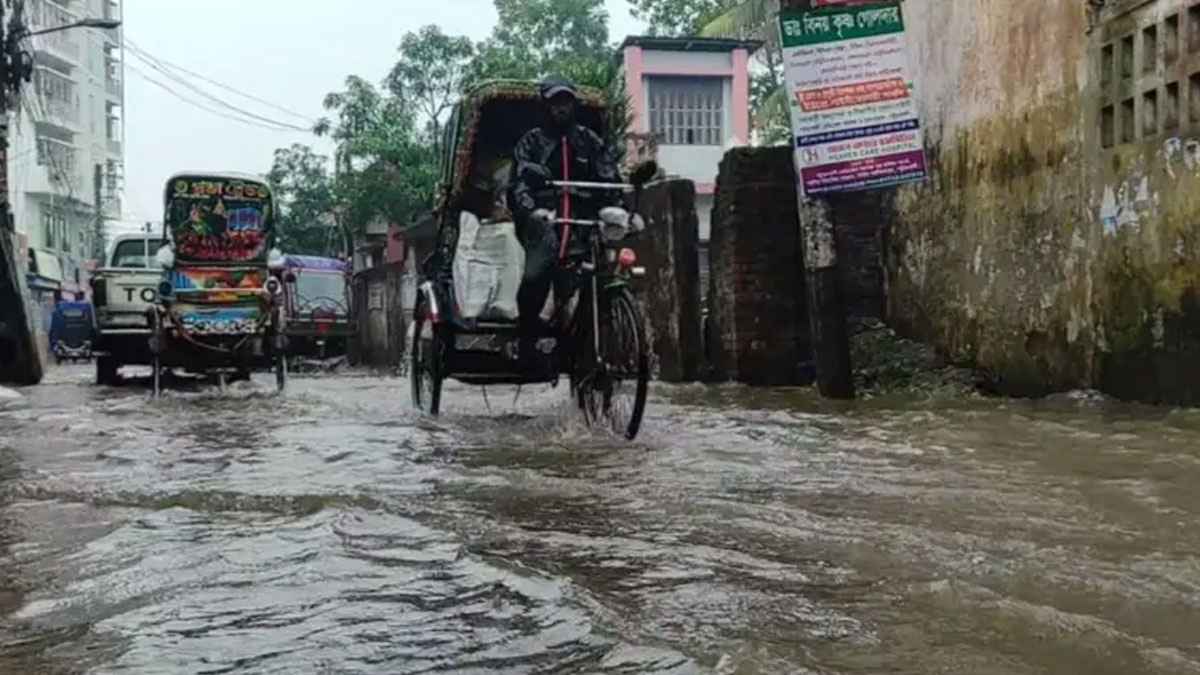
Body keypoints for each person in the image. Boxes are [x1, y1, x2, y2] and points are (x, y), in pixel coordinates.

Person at [510, 77, 624, 372]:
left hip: (581, 221)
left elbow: (609, 177)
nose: (561, 108)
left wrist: (616, 205)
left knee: (600, 267)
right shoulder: (531, 142)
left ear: (573, 105)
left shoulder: (588, 140)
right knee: (538, 272)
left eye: (566, 102)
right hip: (544, 220)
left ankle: (593, 337)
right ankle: (527, 337)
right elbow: (519, 184)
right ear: (546, 105)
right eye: (555, 102)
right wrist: (531, 210)